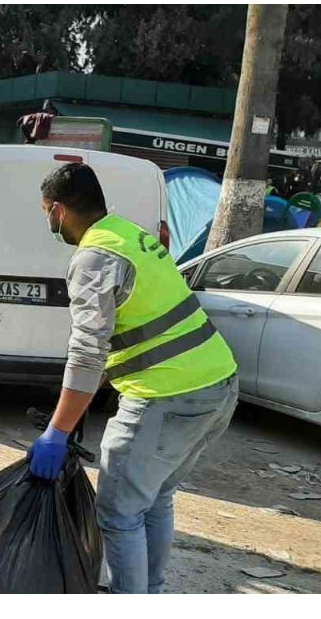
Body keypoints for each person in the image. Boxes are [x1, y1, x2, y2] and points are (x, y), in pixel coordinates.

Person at [28, 163, 239, 593]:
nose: (48, 220)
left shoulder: (93, 257)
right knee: (154, 498)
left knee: (119, 512)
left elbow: (87, 353)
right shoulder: (129, 235)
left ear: (58, 211)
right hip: (218, 384)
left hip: (167, 395)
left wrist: (58, 431)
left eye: (46, 211)